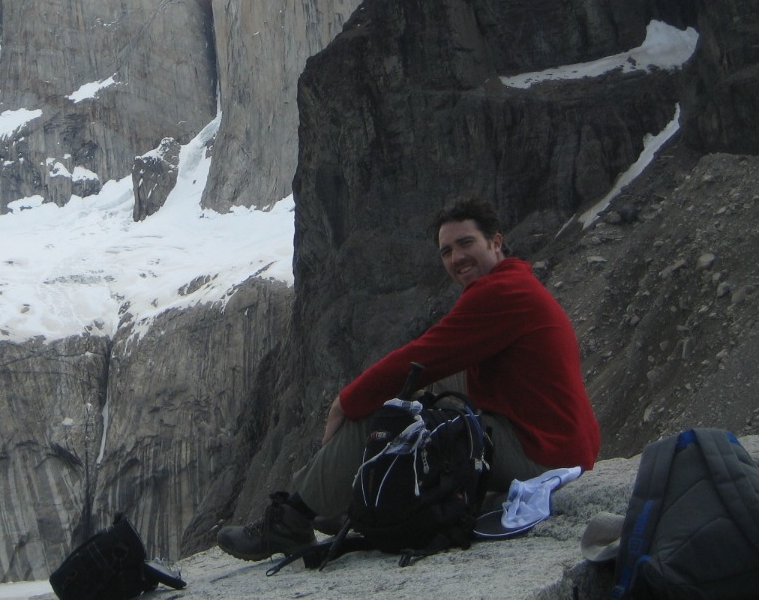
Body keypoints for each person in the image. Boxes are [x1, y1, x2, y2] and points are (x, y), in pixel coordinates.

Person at [217, 196, 601, 561]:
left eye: (466, 243)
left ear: (496, 242)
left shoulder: (503, 293)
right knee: (425, 412)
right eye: (447, 251)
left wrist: (345, 402)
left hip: (544, 458)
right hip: (551, 447)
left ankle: (293, 518)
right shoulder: (512, 285)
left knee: (385, 415)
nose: (457, 258)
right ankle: (345, 504)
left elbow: (420, 360)